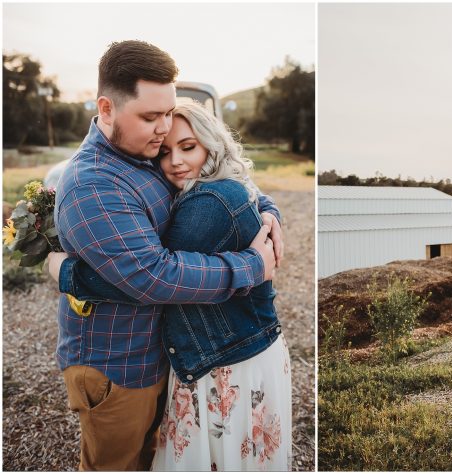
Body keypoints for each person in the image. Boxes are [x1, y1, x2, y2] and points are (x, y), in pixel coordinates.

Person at [49, 40, 283, 471]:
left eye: (167, 113)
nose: (163, 130)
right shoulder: (95, 184)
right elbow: (153, 275)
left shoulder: (143, 150)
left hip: (159, 356)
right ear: (106, 109)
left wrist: (266, 210)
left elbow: (215, 171)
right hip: (118, 368)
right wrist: (253, 265)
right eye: (151, 117)